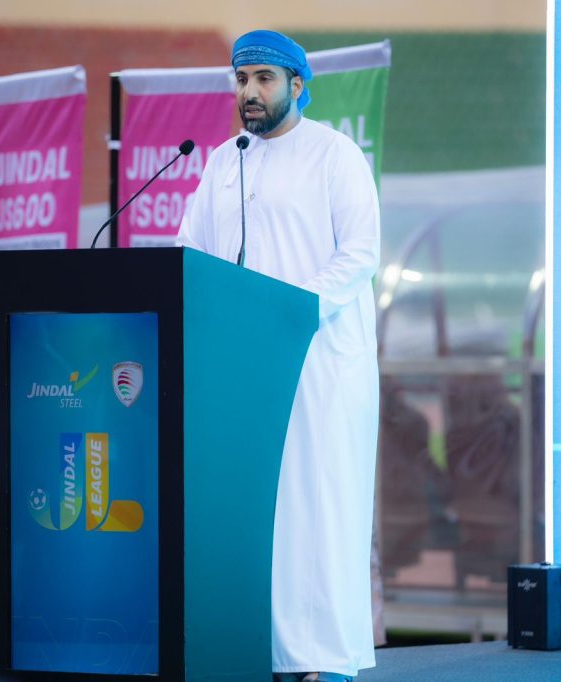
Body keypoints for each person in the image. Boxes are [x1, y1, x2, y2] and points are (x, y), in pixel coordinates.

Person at [177, 29, 380, 682]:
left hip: (319, 363)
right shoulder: (223, 162)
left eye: (264, 78)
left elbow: (359, 253)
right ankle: (263, 650)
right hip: (242, 368)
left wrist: (290, 311)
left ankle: (326, 659)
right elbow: (190, 253)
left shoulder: (335, 154)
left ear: (297, 84)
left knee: (318, 507)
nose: (250, 92)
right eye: (242, 79)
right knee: (254, 508)